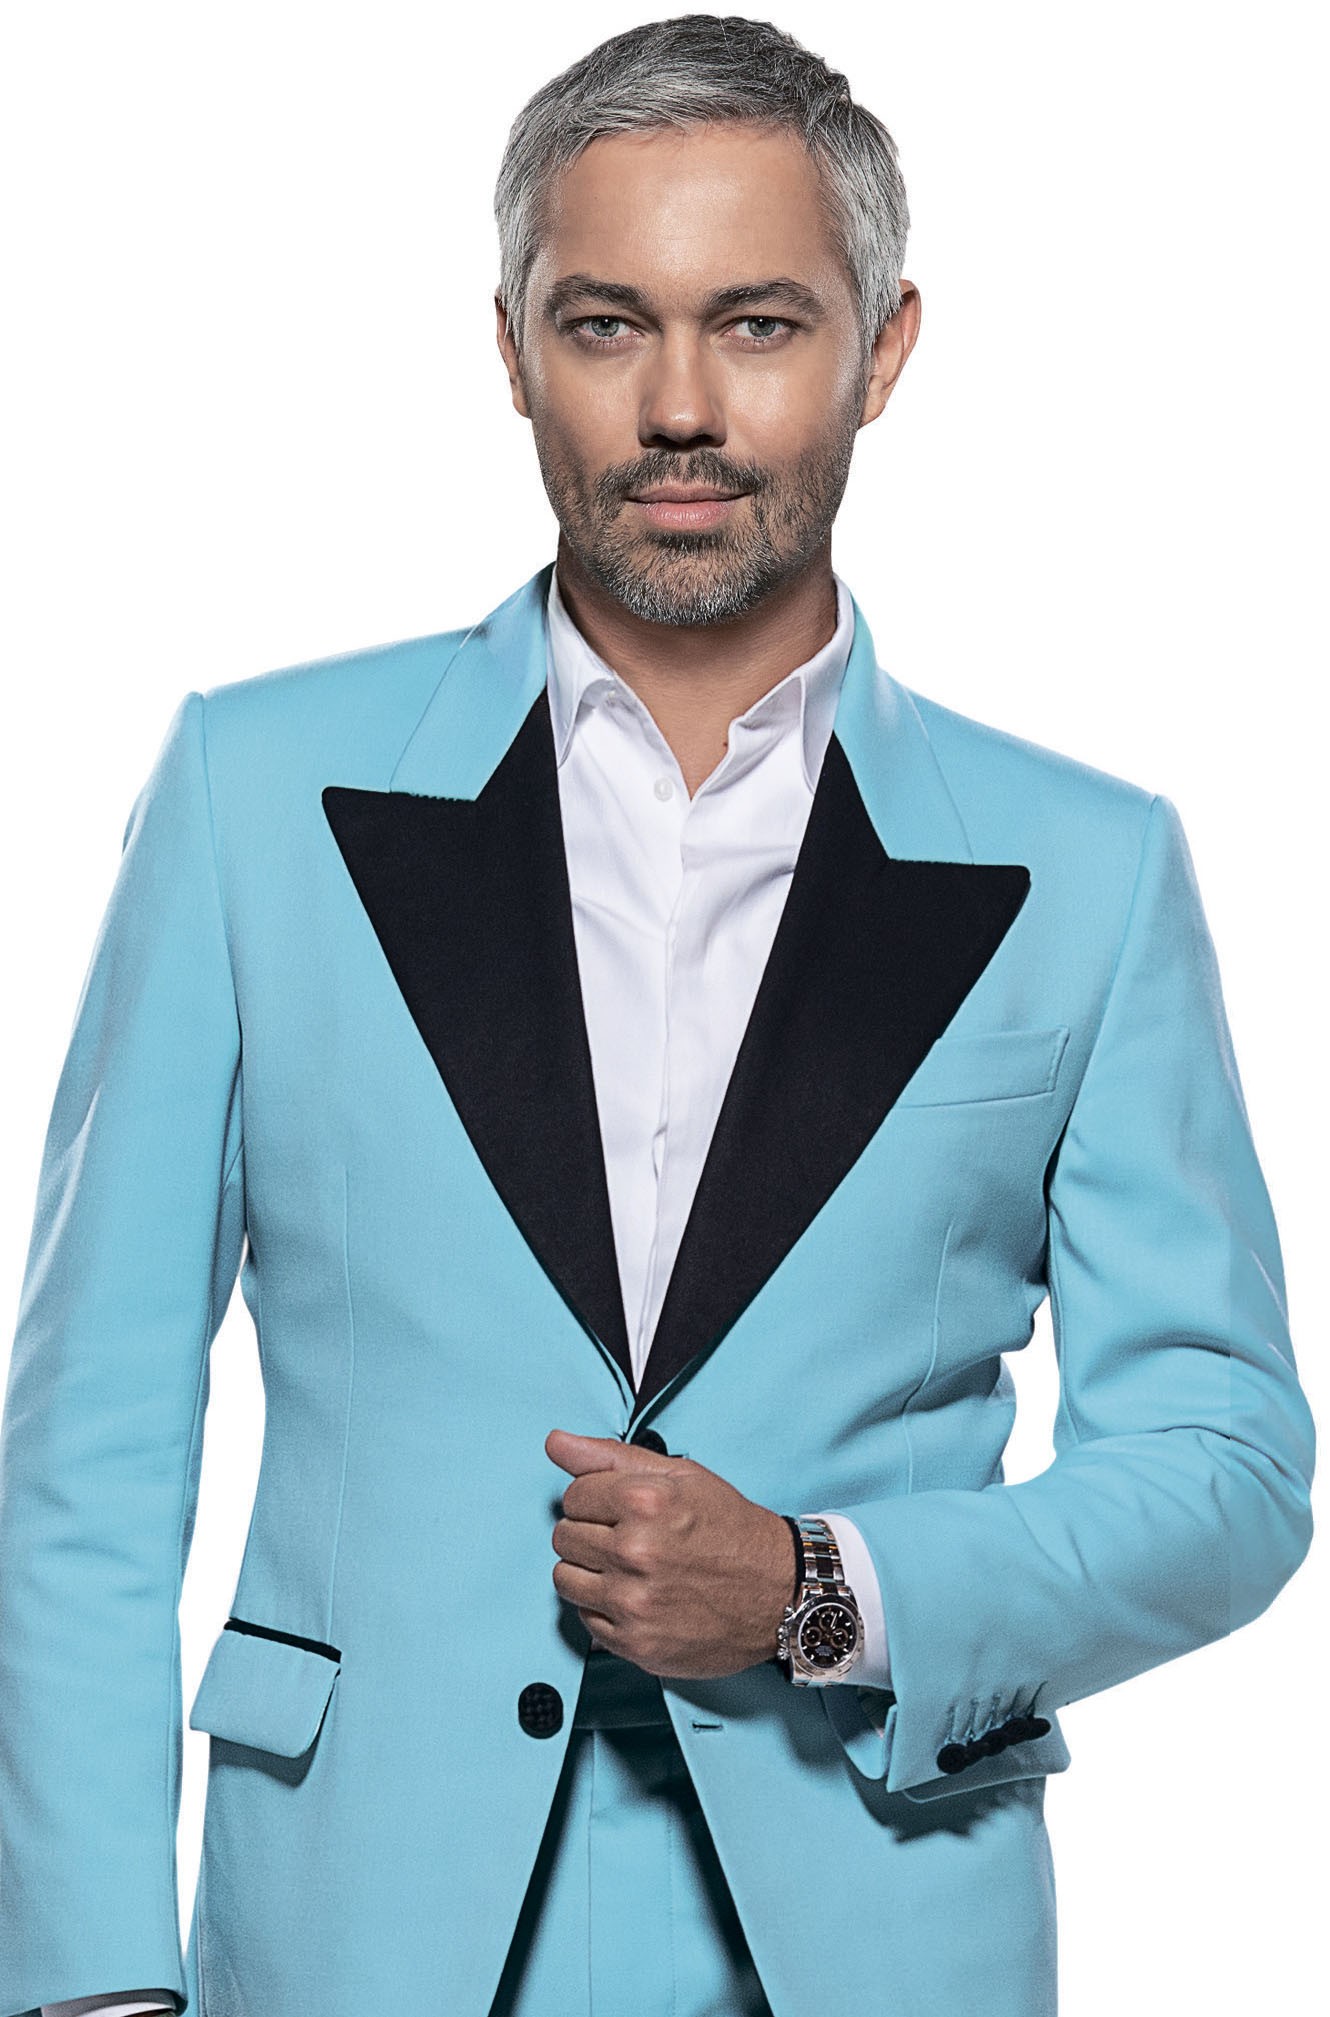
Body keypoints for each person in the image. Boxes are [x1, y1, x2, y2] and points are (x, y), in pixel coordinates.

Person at [0, 15, 1315, 2017]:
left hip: (869, 1930)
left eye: (759, 324)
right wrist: (91, 1985)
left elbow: (1223, 1461)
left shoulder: (1087, 868)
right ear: (511, 347)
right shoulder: (249, 797)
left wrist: (817, 1587)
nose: (681, 405)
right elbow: (89, 1446)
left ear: (881, 348)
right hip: (362, 1928)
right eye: (606, 324)